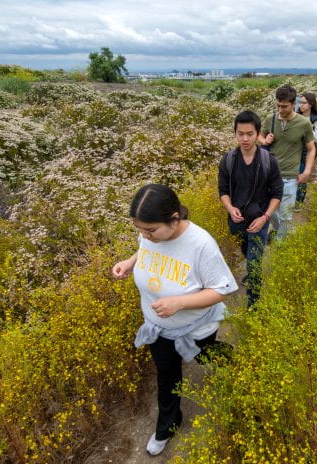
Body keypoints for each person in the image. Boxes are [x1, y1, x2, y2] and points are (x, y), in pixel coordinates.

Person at [112, 184, 238, 456]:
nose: (145, 235)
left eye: (151, 230)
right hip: (158, 328)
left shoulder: (201, 244)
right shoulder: (151, 235)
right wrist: (131, 261)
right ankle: (168, 425)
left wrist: (179, 302)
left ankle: (229, 357)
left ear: (174, 218)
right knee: (167, 376)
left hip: (196, 327)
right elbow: (145, 249)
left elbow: (221, 289)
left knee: (205, 354)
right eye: (141, 230)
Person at [218, 111, 282, 307]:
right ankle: (252, 270)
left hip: (259, 221)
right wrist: (230, 208)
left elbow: (277, 193)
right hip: (237, 222)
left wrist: (265, 217)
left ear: (258, 134)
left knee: (254, 262)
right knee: (246, 250)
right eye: (240, 134)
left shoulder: (268, 160)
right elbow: (223, 190)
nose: (245, 139)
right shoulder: (228, 160)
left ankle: (253, 303)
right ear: (235, 133)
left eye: (250, 134)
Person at [258, 85, 315, 240]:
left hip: (290, 176)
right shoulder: (271, 119)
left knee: (285, 214)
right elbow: (259, 136)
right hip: (269, 174)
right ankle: (279, 233)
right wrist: (265, 140)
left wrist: (307, 171)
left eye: (284, 106)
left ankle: (281, 243)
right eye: (278, 106)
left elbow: (311, 149)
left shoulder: (304, 124)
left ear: (293, 104)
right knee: (270, 212)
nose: (280, 110)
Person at [296, 92, 317, 204]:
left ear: (311, 104)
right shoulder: (296, 116)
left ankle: (299, 201)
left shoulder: (316, 120)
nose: (301, 105)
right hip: (296, 149)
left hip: (308, 151)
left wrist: (308, 128)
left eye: (304, 103)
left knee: (303, 175)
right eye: (300, 102)